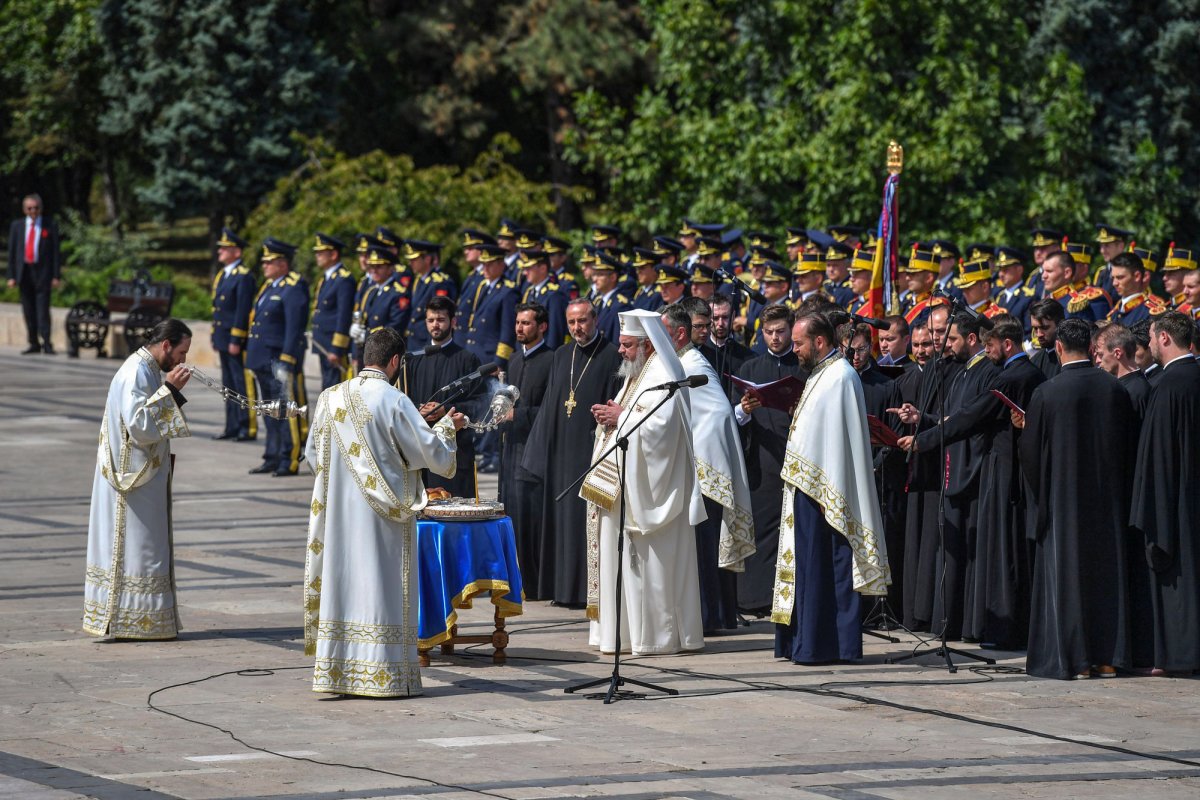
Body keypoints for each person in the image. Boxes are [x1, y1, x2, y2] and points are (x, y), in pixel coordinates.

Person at [304, 328, 465, 697]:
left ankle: (339, 671)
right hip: (383, 522)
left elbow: (314, 456)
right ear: (395, 361)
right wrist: (447, 428)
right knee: (381, 588)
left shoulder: (329, 398)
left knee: (344, 586)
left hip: (341, 519)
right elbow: (429, 453)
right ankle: (383, 675)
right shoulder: (394, 400)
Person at [1017, 318, 1136, 679]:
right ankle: (1108, 657)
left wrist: (1040, 497)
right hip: (1108, 500)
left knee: (1066, 581)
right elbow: (1127, 446)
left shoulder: (1047, 393)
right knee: (1105, 578)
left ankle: (1076, 660)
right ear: (1090, 347)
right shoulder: (1115, 389)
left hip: (1062, 501)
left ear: (1057, 348)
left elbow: (1032, 454)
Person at [583, 309, 706, 655]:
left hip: (653, 497)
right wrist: (611, 417)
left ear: (648, 345)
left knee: (649, 569)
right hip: (622, 489)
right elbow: (632, 417)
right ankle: (620, 634)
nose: (620, 351)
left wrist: (620, 417)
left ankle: (655, 638)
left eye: (627, 345)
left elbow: (661, 433)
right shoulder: (636, 375)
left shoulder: (665, 372)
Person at [772, 311, 890, 664]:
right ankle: (803, 642)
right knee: (808, 569)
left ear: (819, 341)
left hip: (825, 493)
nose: (794, 350)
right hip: (806, 488)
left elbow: (841, 441)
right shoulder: (820, 374)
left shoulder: (840, 376)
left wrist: (831, 493)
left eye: (798, 343)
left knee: (827, 568)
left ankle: (826, 646)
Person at [83, 319, 193, 639]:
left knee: (147, 547)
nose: (183, 360)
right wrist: (171, 389)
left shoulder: (145, 369)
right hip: (132, 480)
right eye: (181, 352)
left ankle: (141, 620)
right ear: (166, 345)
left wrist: (169, 391)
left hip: (143, 475)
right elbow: (139, 425)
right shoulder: (136, 371)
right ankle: (133, 620)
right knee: (139, 548)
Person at [896, 313, 1000, 641]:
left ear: (971, 339)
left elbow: (967, 420)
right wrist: (923, 418)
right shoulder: (962, 371)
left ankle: (967, 625)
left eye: (950, 338)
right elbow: (952, 417)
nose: (945, 345)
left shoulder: (987, 372)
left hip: (973, 471)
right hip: (955, 464)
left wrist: (923, 439)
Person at [662, 302, 756, 634]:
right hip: (699, 468)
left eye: (664, 333)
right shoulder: (682, 362)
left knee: (704, 550)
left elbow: (716, 416)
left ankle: (710, 618)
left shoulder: (691, 364)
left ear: (680, 333)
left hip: (707, 473)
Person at [522, 298, 623, 606]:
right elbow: (554, 403)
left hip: (589, 449)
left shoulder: (609, 355)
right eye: (571, 322)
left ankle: (583, 591)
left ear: (595, 320)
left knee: (583, 522)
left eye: (583, 321)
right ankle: (561, 589)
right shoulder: (562, 354)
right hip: (560, 451)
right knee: (559, 520)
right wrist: (542, 451)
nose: (577, 328)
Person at [1129, 312, 1200, 676]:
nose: (1150, 344)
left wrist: (1147, 504)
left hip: (1173, 500)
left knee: (1177, 581)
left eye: (1153, 338)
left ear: (1166, 339)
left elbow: (1154, 455)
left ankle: (1177, 656)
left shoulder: (1168, 386)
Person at [732, 304, 805, 614]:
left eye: (780, 332)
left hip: (796, 458)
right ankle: (759, 599)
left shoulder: (802, 367)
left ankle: (795, 598)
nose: (774, 338)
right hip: (761, 459)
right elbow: (733, 416)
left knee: (794, 532)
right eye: (768, 332)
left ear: (791, 331)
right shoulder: (750, 367)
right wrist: (743, 412)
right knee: (761, 530)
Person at [498, 303, 555, 598]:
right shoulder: (514, 360)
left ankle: (537, 585)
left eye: (527, 323)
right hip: (512, 451)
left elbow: (550, 408)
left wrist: (516, 416)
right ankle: (520, 581)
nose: (520, 328)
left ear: (542, 326)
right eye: (518, 323)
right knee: (514, 519)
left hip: (535, 453)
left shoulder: (552, 359)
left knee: (534, 523)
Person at [404, 295, 482, 498]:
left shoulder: (467, 359)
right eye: (430, 320)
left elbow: (479, 404)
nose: (435, 325)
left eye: (440, 319)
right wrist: (420, 411)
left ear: (453, 322)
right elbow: (403, 400)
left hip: (456, 453)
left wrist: (445, 410)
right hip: (422, 451)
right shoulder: (415, 359)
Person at [245, 238, 310, 477]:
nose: (264, 266)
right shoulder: (270, 286)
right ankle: (271, 456)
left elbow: (294, 326)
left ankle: (289, 458)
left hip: (279, 361)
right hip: (263, 359)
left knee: (286, 410)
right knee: (270, 411)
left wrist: (287, 358)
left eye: (269, 262)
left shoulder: (293, 286)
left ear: (283, 263)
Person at [209, 227, 256, 441]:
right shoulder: (223, 275)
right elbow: (216, 308)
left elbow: (242, 310)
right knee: (227, 385)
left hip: (234, 339)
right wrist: (214, 333)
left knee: (240, 383)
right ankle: (232, 425)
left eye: (225, 249)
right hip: (222, 336)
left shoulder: (243, 276)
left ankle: (246, 426)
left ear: (237, 252)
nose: (220, 252)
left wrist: (236, 338)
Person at [6, 193, 61, 354]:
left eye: (36, 208)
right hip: (25, 273)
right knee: (28, 310)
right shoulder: (17, 226)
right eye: (29, 208)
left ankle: (47, 342)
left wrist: (56, 275)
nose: (33, 211)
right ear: (24, 210)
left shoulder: (49, 225)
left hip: (43, 273)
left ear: (40, 208)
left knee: (43, 310)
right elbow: (12, 253)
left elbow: (56, 253)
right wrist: (11, 276)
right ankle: (33, 342)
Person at [309, 233, 356, 390]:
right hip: (323, 343)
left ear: (334, 254)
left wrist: (337, 348)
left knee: (336, 389)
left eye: (321, 252)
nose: (317, 256)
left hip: (333, 346)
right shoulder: (327, 279)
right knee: (327, 388)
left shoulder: (343, 279)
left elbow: (344, 315)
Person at [1093, 323, 1152, 419]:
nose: (1097, 361)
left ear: (1117, 353)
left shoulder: (1133, 392)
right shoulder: (1130, 387)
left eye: (1101, 355)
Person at [702, 293, 753, 400]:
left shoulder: (748, 357)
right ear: (707, 318)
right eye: (715, 318)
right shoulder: (699, 354)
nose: (720, 323)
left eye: (725, 317)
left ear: (733, 316)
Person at [1028, 298, 1065, 379]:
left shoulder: (1071, 358)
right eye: (1035, 328)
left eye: (1044, 328)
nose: (1039, 334)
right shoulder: (1034, 361)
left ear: (1060, 324)